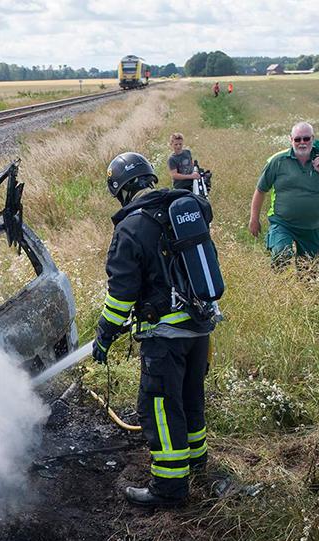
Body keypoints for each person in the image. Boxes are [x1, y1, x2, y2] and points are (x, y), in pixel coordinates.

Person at [94, 152, 216, 509]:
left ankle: (169, 486)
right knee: (191, 398)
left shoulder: (131, 227)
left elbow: (121, 294)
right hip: (198, 329)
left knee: (159, 407)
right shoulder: (180, 209)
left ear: (120, 189)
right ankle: (197, 463)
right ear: (149, 179)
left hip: (165, 338)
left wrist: (104, 333)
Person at [247, 121, 319, 267]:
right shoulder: (278, 161)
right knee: (282, 255)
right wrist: (254, 219)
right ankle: (278, 286)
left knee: (308, 274)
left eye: (306, 139)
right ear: (290, 140)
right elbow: (261, 190)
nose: (302, 143)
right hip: (282, 224)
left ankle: (299, 289)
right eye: (297, 139)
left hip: (312, 228)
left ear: (313, 139)